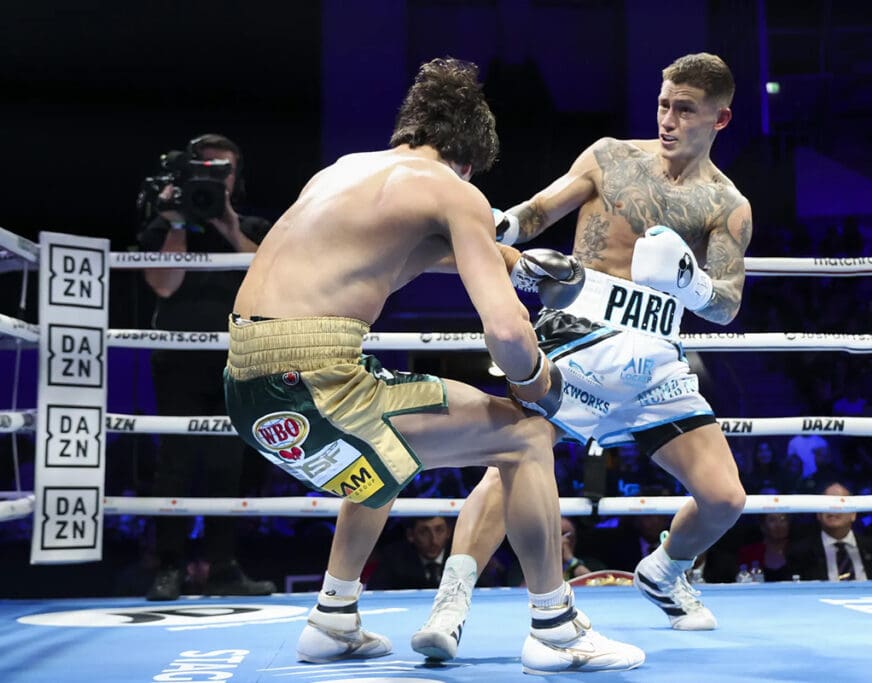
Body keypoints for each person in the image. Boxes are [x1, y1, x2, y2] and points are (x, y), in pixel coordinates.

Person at [221, 57, 643, 675]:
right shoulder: (456, 191)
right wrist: (538, 384)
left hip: (248, 390)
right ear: (469, 161)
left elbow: (403, 258)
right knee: (526, 434)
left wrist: (517, 264)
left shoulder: (342, 172)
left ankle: (331, 620)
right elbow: (504, 331)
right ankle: (556, 630)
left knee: (385, 452)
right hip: (316, 383)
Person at [414, 52, 749, 659]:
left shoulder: (727, 205)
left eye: (686, 110)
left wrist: (692, 283)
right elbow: (540, 210)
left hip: (656, 359)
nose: (669, 119)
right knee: (512, 460)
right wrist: (494, 227)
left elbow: (725, 304)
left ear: (719, 120)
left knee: (725, 498)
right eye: (664, 104)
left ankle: (665, 574)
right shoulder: (609, 156)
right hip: (578, 332)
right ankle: (451, 604)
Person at [138, 133, 276, 601]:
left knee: (228, 465)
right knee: (173, 464)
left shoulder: (253, 225)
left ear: (235, 178)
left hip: (237, 359)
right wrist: (177, 222)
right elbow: (162, 285)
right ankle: (169, 567)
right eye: (208, 168)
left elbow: (269, 276)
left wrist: (230, 224)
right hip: (177, 361)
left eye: (225, 170)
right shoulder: (163, 225)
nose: (216, 177)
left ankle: (223, 566)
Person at [788, 482, 872, 581]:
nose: (833, 509)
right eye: (827, 504)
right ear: (818, 514)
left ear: (853, 514)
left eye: (839, 503)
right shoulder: (801, 554)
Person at [366, 516, 452, 590]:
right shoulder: (394, 557)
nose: (434, 540)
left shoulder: (460, 555)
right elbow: (376, 592)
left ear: (448, 531)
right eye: (424, 532)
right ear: (410, 535)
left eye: (439, 530)